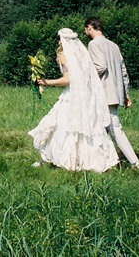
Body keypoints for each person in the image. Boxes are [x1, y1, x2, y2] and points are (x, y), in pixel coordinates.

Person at [28, 28, 119, 172]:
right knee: (84, 127)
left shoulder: (64, 55)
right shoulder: (82, 54)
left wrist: (46, 82)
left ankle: (65, 160)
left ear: (62, 40)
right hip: (86, 96)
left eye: (59, 39)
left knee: (64, 126)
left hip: (73, 96)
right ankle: (82, 160)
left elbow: (68, 79)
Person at [84, 16, 139, 169]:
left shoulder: (93, 44)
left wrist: (85, 77)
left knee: (114, 129)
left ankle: (135, 163)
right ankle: (99, 162)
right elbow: (123, 72)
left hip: (103, 93)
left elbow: (100, 66)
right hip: (115, 93)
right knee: (98, 128)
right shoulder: (114, 45)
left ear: (90, 27)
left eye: (86, 29)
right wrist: (125, 94)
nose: (86, 33)